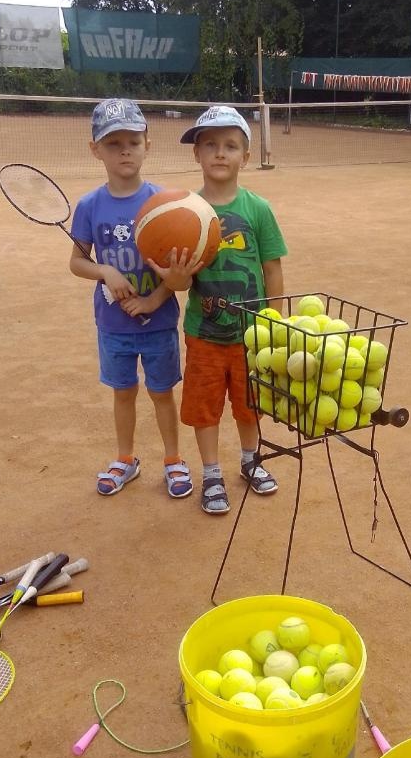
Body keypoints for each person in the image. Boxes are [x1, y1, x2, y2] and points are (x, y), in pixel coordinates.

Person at [152, 106, 287, 516]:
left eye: (230, 145)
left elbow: (272, 268)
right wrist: (175, 276)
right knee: (204, 407)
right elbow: (180, 284)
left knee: (249, 404)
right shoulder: (185, 212)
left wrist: (274, 322)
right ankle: (211, 473)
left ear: (245, 156)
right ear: (197, 154)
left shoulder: (258, 209)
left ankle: (250, 460)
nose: (220, 153)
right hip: (204, 334)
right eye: (210, 145)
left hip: (252, 335)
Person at [71, 97, 193, 498]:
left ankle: (173, 459)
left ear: (147, 145)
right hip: (113, 325)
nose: (125, 151)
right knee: (123, 392)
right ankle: (125, 459)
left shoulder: (163, 203)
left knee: (161, 393)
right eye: (113, 143)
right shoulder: (89, 206)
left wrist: (154, 299)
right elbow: (77, 262)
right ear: (96, 150)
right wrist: (105, 271)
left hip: (158, 323)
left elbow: (178, 270)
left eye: (133, 142)